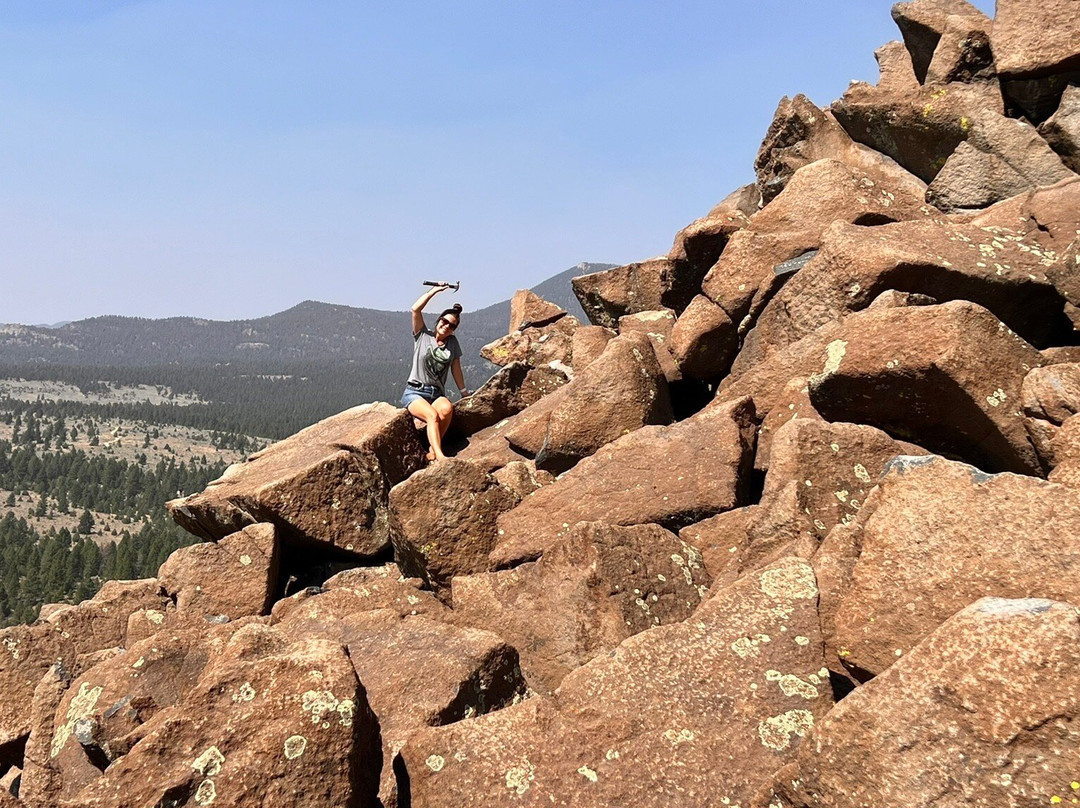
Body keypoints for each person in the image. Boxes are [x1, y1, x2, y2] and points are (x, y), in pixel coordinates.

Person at [402, 285, 469, 461]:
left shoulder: (452, 343)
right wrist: (435, 291)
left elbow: (456, 367)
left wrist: (463, 392)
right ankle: (440, 455)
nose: (446, 326)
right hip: (415, 392)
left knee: (446, 409)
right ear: (439, 320)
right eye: (444, 321)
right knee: (432, 415)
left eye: (451, 325)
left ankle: (433, 448)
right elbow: (415, 309)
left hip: (436, 393)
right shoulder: (422, 335)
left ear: (454, 329)